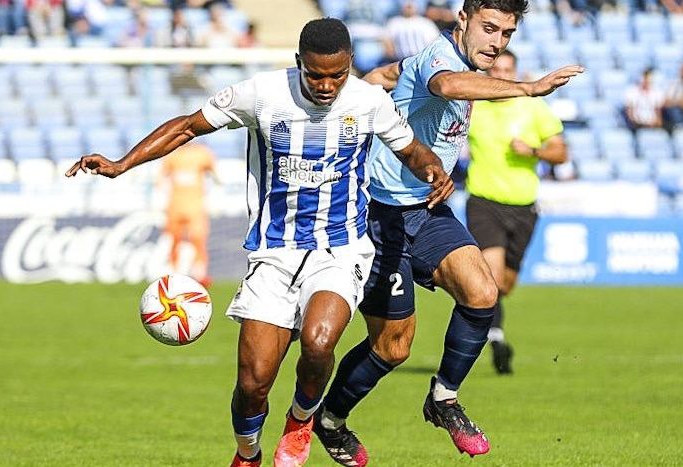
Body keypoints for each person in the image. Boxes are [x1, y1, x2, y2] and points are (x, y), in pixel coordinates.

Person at [64, 18, 455, 467]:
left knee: (319, 339)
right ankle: (247, 454)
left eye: (337, 75)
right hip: (273, 253)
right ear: (298, 64)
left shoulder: (368, 102)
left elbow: (411, 149)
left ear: (349, 64)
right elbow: (188, 127)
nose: (327, 86)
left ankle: (301, 419)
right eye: (315, 75)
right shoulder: (261, 94)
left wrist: (433, 170)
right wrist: (121, 163)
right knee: (253, 383)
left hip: (340, 249)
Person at [312, 1, 583, 465]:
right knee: (393, 346)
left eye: (507, 34)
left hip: (428, 208)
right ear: (463, 21)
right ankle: (329, 419)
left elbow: (389, 76)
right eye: (489, 28)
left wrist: (365, 89)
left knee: (482, 292)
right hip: (379, 215)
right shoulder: (442, 59)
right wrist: (529, 88)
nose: (497, 42)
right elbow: (444, 84)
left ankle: (443, 398)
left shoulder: (449, 65)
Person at [465, 49, 567, 375]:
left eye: (508, 70)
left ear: (517, 73)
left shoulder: (534, 108)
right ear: (488, 73)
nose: (502, 76)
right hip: (483, 202)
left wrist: (533, 150)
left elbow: (561, 153)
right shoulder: (473, 106)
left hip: (523, 207)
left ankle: (491, 324)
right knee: (492, 279)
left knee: (505, 285)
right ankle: (496, 339)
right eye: (497, 70)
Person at [159, 141, 217, 288]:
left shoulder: (202, 153)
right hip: (175, 205)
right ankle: (173, 274)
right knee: (174, 240)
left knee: (198, 239)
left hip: (196, 205)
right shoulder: (172, 154)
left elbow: (215, 174)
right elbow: (161, 178)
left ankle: (200, 274)